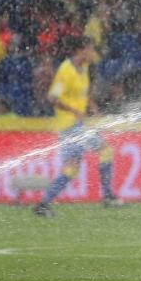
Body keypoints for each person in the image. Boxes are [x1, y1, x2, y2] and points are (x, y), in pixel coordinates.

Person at [33, 37, 123, 216]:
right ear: (80, 51)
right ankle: (107, 197)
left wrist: (93, 108)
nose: (92, 54)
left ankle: (44, 204)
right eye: (90, 50)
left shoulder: (84, 68)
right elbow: (53, 98)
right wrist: (75, 111)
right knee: (105, 150)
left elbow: (84, 92)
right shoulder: (65, 70)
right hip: (69, 125)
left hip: (77, 125)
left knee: (72, 168)